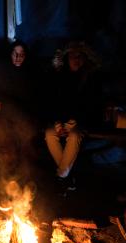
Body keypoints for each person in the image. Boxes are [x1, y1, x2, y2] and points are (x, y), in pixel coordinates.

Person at [44, 41, 103, 193]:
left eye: (79, 56)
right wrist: (58, 123)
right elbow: (53, 101)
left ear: (85, 58)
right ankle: (66, 177)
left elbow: (93, 105)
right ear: (66, 58)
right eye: (73, 56)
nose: (76, 59)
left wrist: (75, 122)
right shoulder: (59, 77)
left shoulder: (90, 78)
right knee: (50, 134)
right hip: (62, 122)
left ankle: (61, 176)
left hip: (81, 122)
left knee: (75, 135)